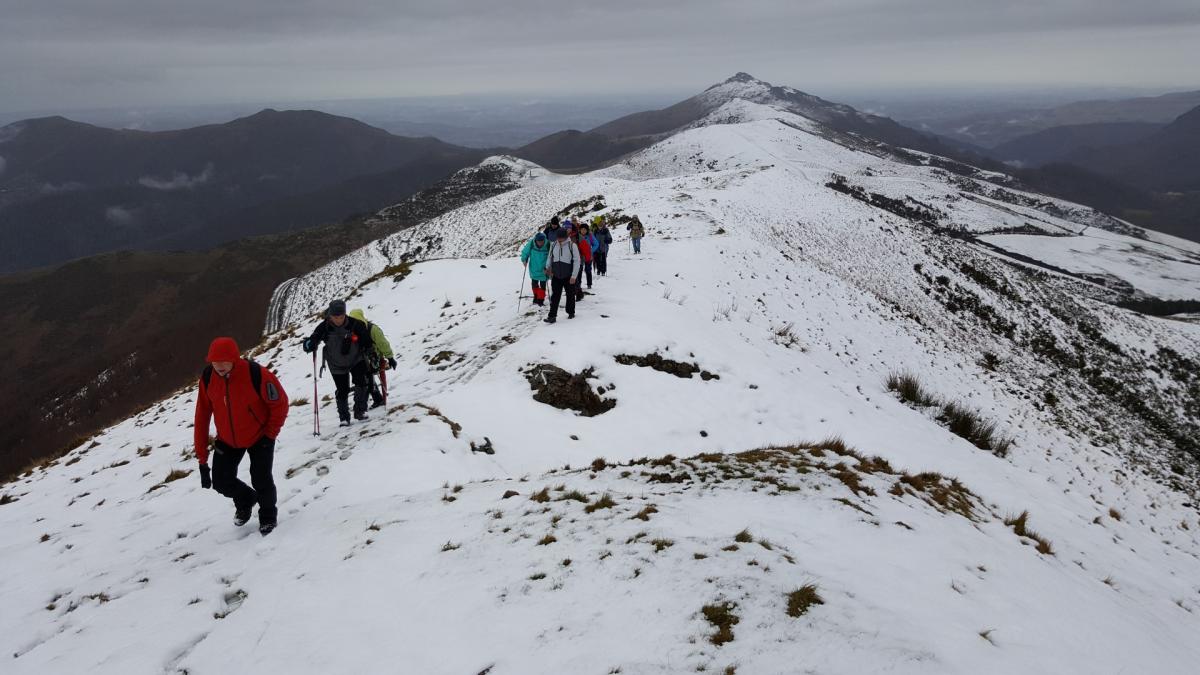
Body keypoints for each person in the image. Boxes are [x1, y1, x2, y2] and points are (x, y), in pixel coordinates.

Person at [194, 336, 289, 535]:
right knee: (220, 482)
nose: (218, 365)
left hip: (259, 435)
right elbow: (202, 416)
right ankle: (246, 499)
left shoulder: (256, 374)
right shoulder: (208, 378)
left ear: (235, 359)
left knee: (261, 478)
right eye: (214, 361)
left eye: (224, 360)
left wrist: (270, 434)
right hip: (227, 439)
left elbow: (279, 403)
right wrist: (202, 458)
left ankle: (268, 517)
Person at [303, 299, 374, 426]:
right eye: (335, 317)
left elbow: (366, 339)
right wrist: (310, 344)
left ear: (345, 314)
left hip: (356, 358)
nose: (338, 319)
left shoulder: (355, 324)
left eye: (341, 316)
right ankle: (344, 418)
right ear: (330, 315)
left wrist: (369, 348)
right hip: (336, 363)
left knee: (361, 382)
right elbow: (314, 338)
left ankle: (360, 411)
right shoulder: (324, 327)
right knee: (342, 389)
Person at [348, 309, 397, 409]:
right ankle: (374, 400)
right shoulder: (351, 331)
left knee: (366, 378)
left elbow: (383, 344)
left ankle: (369, 403)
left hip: (374, 358)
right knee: (365, 379)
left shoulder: (373, 330)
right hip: (359, 359)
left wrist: (390, 357)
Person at [543, 228, 579, 324]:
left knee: (570, 295)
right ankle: (552, 316)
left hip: (569, 275)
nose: (559, 240)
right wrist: (547, 267)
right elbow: (550, 257)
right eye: (558, 238)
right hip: (556, 275)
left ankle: (571, 312)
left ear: (566, 237)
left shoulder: (572, 245)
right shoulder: (554, 244)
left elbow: (577, 261)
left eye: (561, 238)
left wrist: (574, 276)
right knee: (555, 296)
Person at [521, 232, 550, 306]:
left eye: (542, 241)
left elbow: (551, 255)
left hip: (544, 269)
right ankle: (536, 297)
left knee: (543, 285)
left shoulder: (548, 244)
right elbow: (525, 252)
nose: (540, 243)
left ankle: (541, 299)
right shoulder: (531, 243)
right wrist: (524, 259)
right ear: (536, 240)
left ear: (544, 240)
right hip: (534, 267)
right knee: (534, 284)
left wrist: (549, 267)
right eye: (538, 241)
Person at [578, 224, 596, 292]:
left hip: (588, 256)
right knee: (579, 270)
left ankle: (589, 284)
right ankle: (578, 284)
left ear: (587, 230)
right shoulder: (578, 236)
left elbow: (596, 244)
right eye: (582, 229)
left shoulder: (590, 236)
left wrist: (590, 251)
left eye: (585, 229)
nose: (583, 231)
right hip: (580, 256)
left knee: (588, 270)